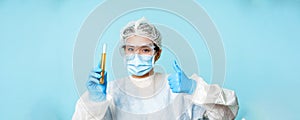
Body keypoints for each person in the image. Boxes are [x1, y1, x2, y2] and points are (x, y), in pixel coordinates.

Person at [72, 17, 239, 120]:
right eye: (131, 49)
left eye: (144, 50)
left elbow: (228, 114)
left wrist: (195, 89)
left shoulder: (178, 88)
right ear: (124, 52)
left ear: (157, 54)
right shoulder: (109, 91)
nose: (136, 56)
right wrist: (95, 102)